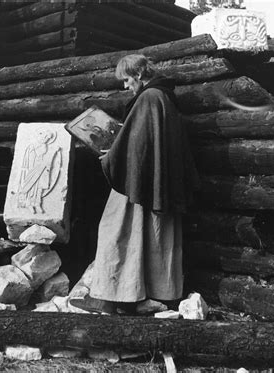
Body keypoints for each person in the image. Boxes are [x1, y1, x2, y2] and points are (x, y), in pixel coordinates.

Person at [70, 54, 199, 314]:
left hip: (138, 182)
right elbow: (142, 141)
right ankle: (146, 294)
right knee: (151, 234)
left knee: (115, 230)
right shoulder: (162, 97)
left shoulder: (150, 98)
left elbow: (138, 147)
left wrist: (111, 155)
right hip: (154, 180)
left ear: (139, 75)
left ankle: (122, 295)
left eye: (127, 80)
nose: (125, 86)